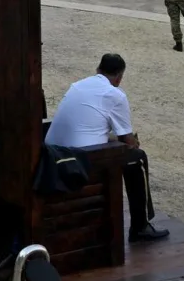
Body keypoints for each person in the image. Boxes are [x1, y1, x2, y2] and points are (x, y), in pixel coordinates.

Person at [44, 55, 168, 243]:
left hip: (52, 153)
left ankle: (140, 225)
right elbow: (127, 141)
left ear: (98, 69)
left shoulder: (77, 85)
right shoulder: (115, 95)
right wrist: (133, 143)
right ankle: (140, 226)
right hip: (80, 159)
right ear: (119, 77)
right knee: (137, 157)